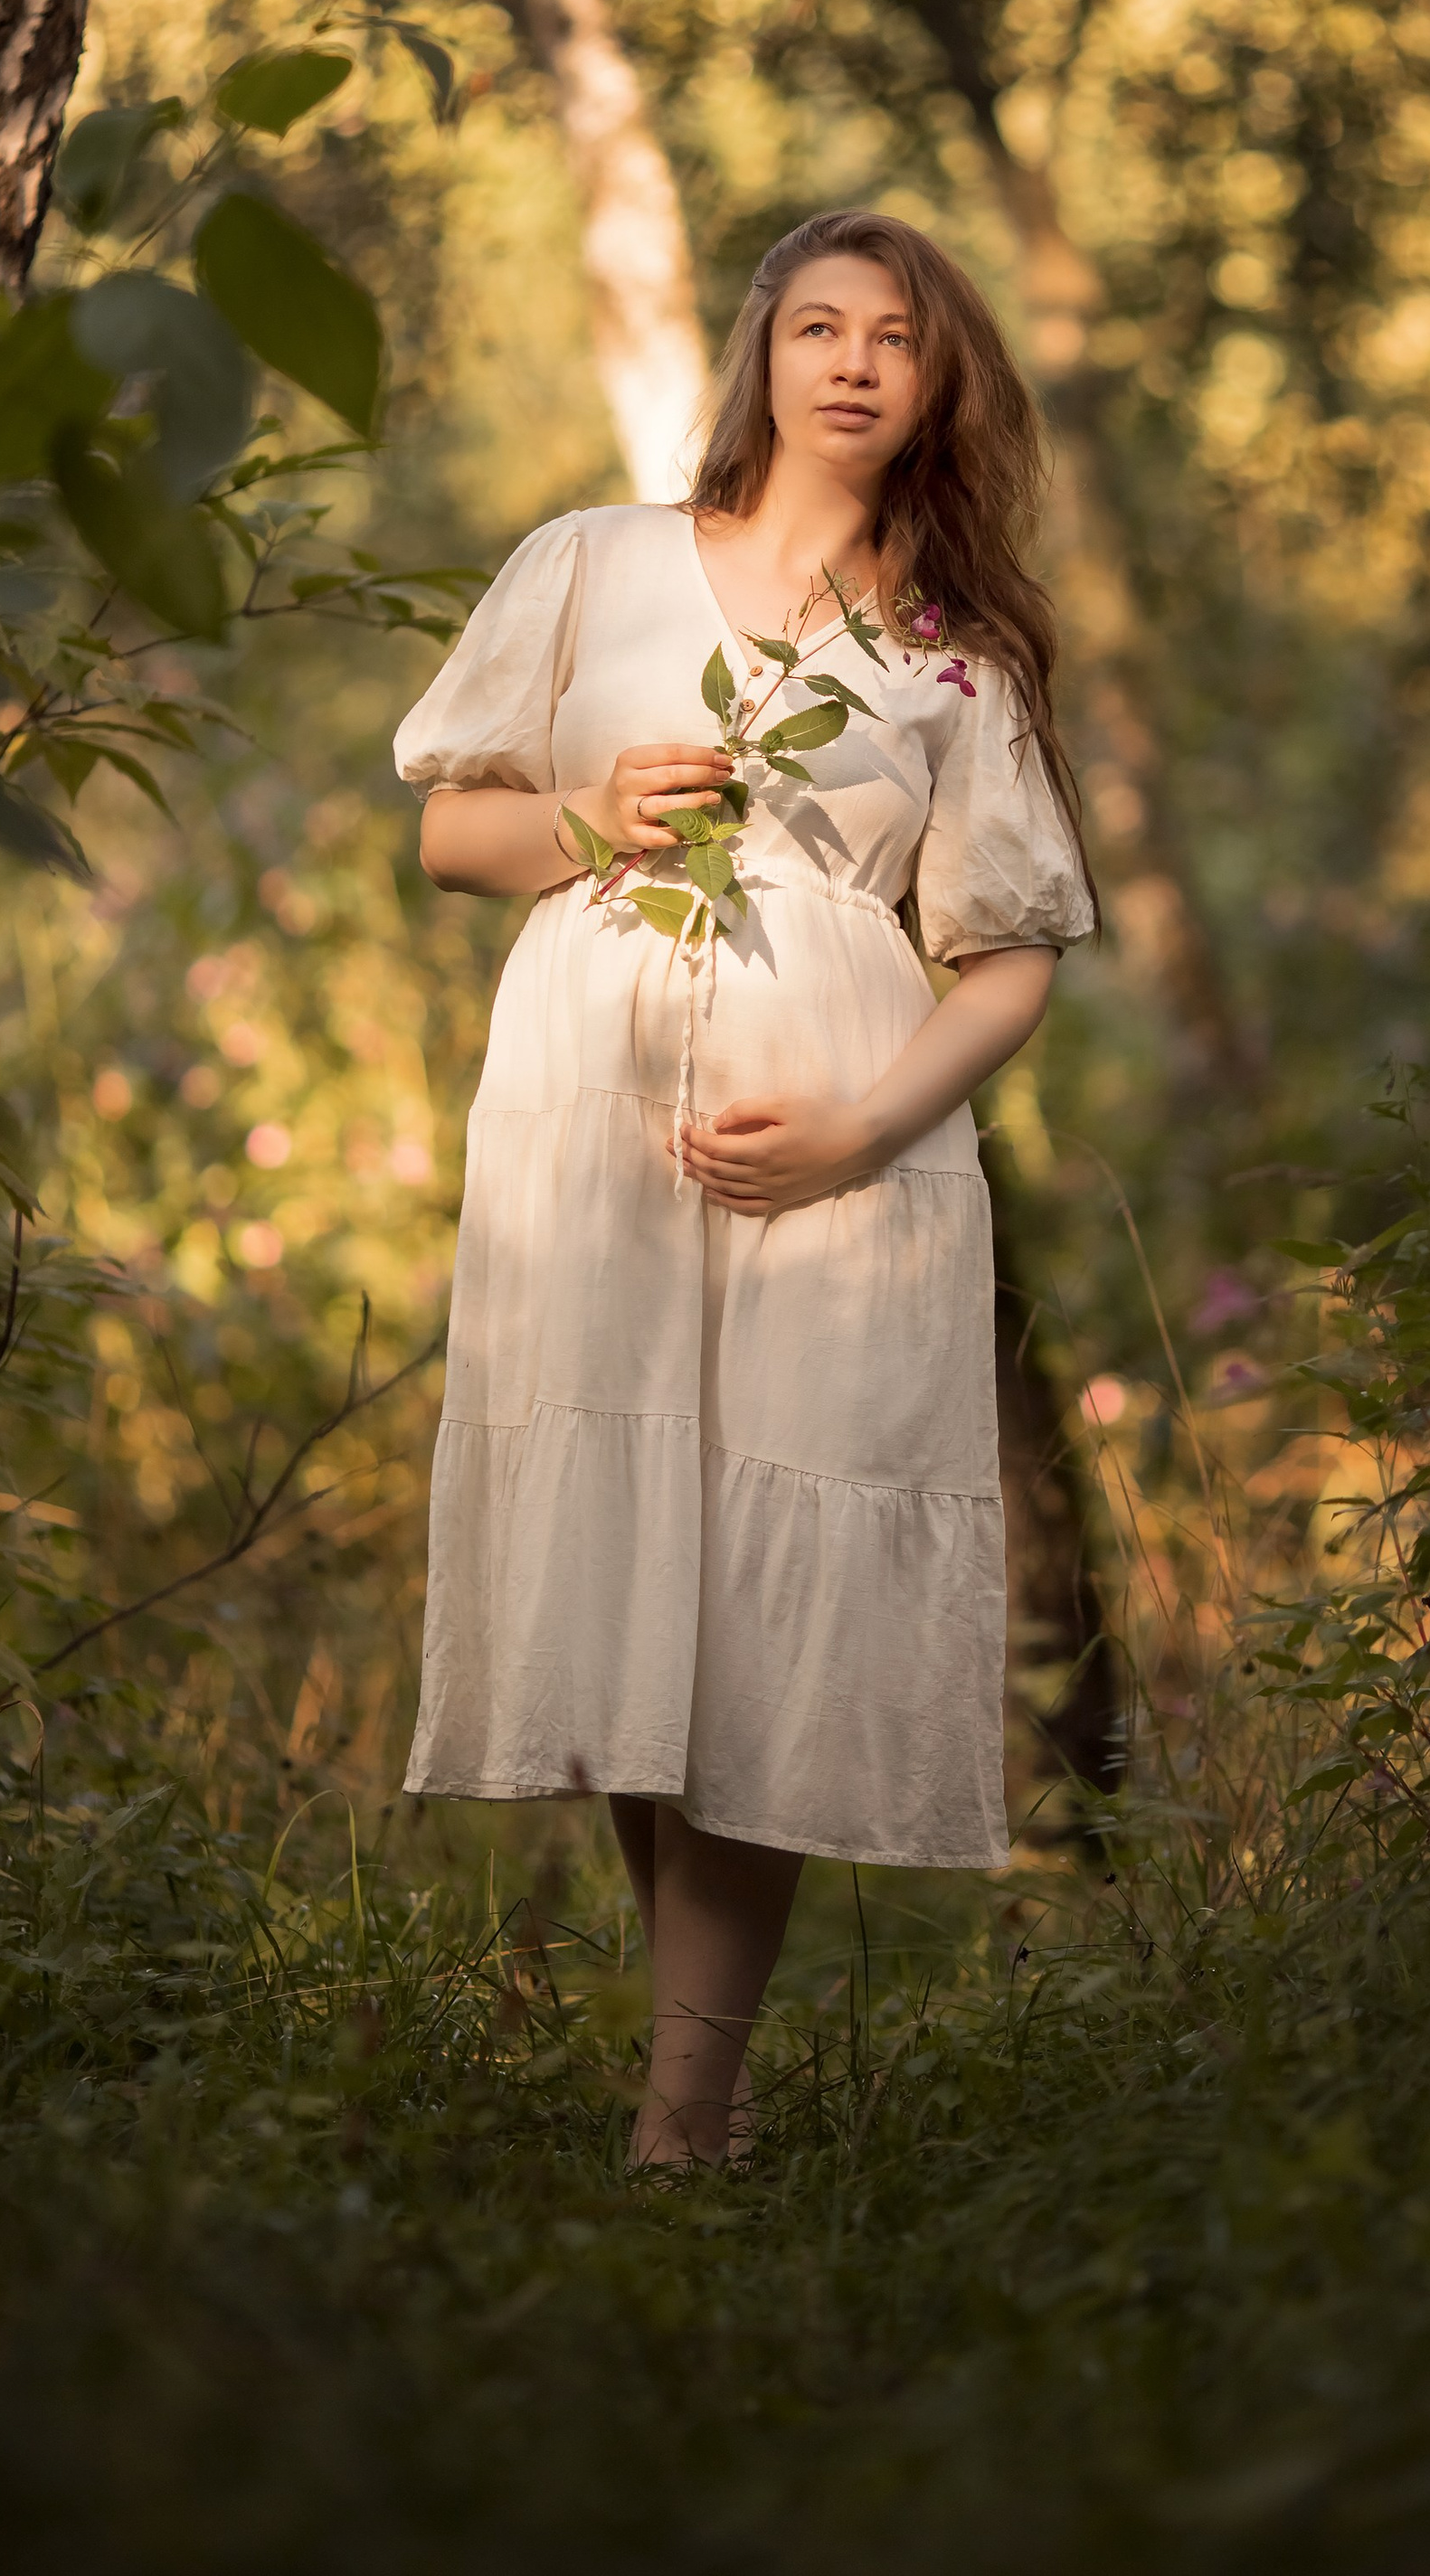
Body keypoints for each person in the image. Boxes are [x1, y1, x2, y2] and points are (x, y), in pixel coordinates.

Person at [395, 208, 1094, 2166]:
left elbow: (1015, 948)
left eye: (896, 337)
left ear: (939, 384)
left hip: (838, 1170)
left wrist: (868, 1130)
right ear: (761, 355)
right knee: (641, 1588)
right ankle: (693, 2086)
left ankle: (677, 2133)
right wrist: (580, 812)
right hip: (587, 1140)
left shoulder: (951, 656)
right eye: (818, 326)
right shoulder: (597, 565)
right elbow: (451, 830)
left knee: (768, 1616)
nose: (855, 362)